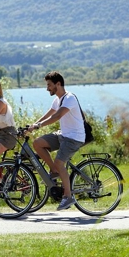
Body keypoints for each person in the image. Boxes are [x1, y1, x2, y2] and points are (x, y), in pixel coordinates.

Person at [27, 71, 85, 210]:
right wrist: (32, 126)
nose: (47, 88)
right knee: (38, 143)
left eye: (49, 85)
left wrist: (39, 125)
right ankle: (54, 170)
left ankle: (68, 196)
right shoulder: (57, 100)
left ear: (58, 84)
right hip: (63, 135)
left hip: (73, 138)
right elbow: (48, 114)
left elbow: (57, 116)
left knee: (60, 163)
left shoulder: (69, 98)